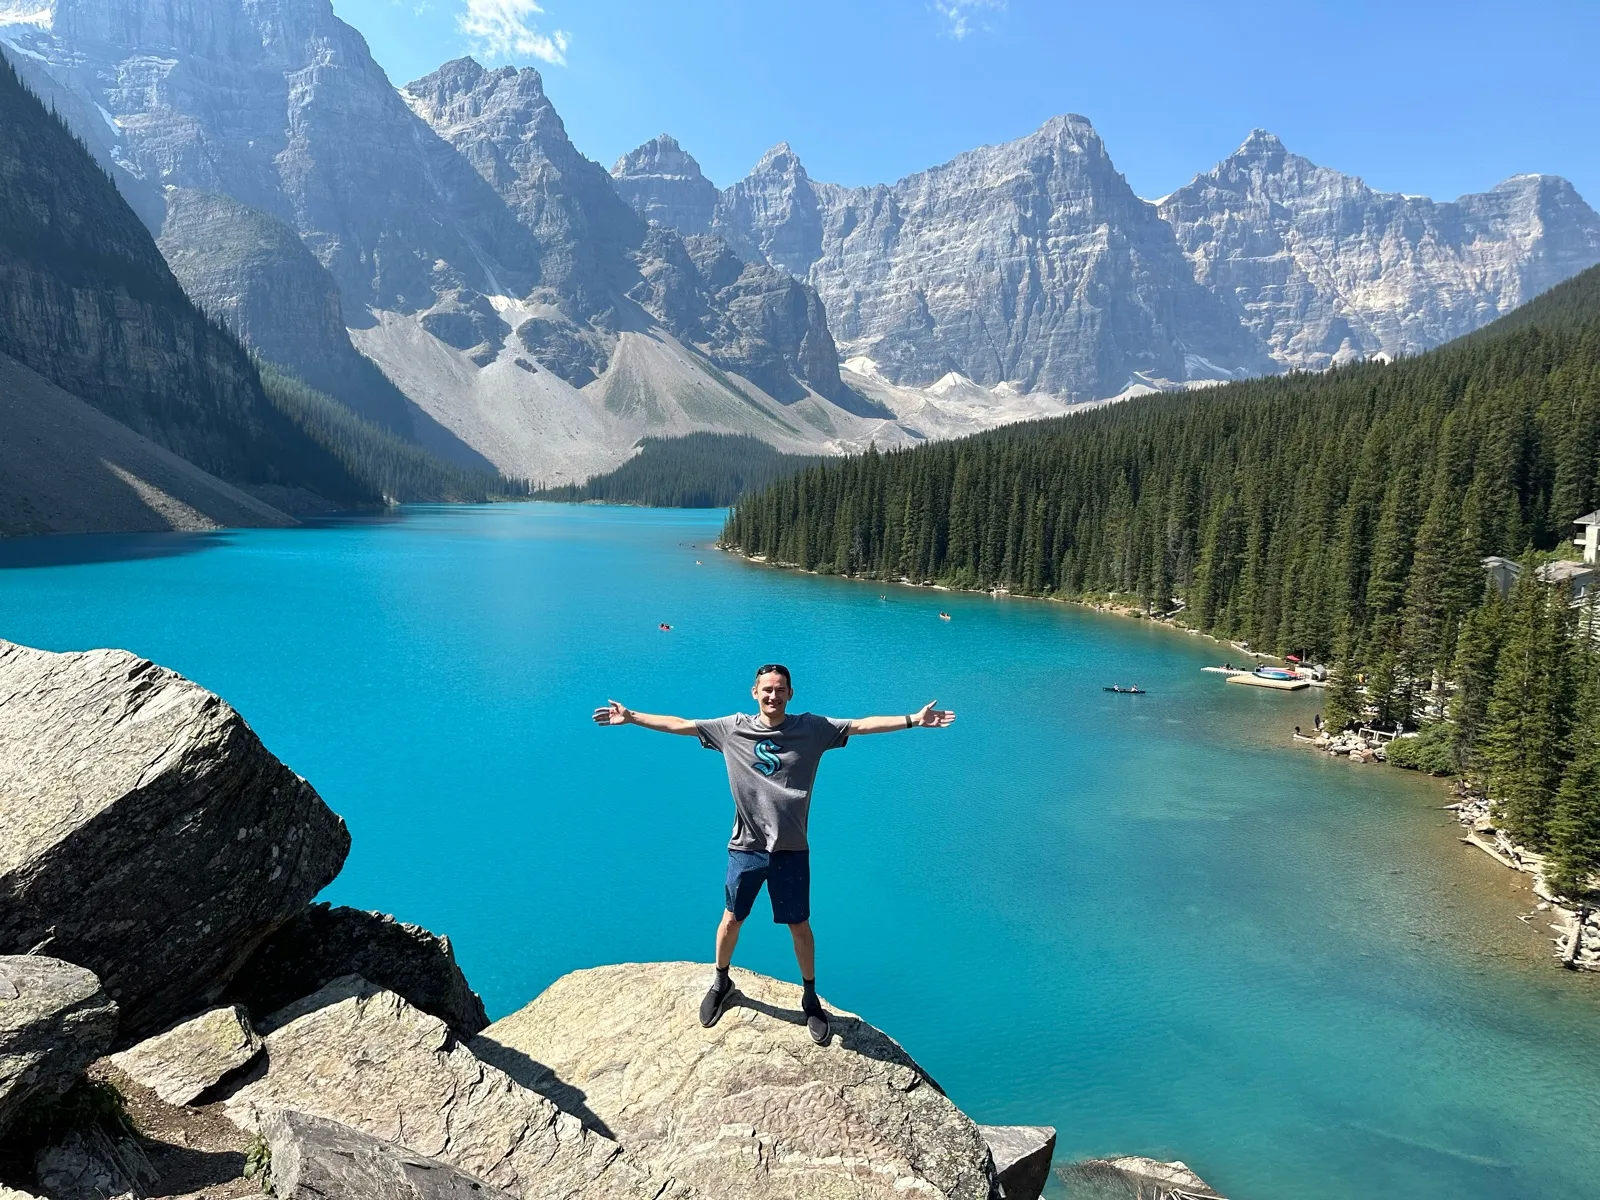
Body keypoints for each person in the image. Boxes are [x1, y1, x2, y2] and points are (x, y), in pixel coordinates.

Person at [591, 663, 955, 1044]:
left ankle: (810, 999)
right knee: (731, 920)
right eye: (766, 689)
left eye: (780, 689)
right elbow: (681, 725)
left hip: (791, 849)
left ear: (790, 694)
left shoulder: (812, 729)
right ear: (754, 692)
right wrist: (632, 717)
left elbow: (862, 725)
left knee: (799, 926)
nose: (772, 695)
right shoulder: (731, 729)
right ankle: (721, 982)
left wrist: (914, 720)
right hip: (745, 848)